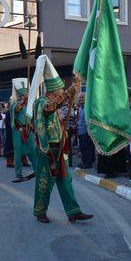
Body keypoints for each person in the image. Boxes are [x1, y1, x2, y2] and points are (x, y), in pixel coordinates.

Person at [30, 57, 92, 224]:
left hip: (60, 146)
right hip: (47, 149)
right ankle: (40, 211)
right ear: (53, 90)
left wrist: (70, 93)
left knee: (65, 180)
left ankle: (73, 211)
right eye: (59, 89)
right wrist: (70, 91)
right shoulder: (41, 103)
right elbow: (50, 109)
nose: (61, 91)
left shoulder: (53, 102)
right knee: (45, 181)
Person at [11, 79, 37, 181]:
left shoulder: (31, 104)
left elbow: (33, 116)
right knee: (18, 151)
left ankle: (36, 169)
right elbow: (15, 110)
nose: (24, 97)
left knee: (32, 150)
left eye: (25, 95)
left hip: (29, 130)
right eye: (22, 95)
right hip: (18, 130)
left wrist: (33, 126)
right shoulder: (15, 104)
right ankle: (18, 173)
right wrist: (21, 103)